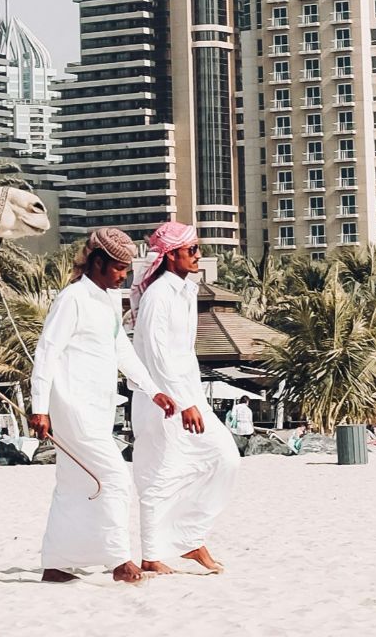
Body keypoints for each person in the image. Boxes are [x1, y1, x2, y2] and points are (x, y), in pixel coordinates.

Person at [28, 227, 177, 585]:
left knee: (72, 483)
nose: (124, 275)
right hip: (72, 406)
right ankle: (120, 560)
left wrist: (153, 389)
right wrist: (39, 407)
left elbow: (121, 350)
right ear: (96, 262)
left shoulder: (108, 300)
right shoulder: (72, 298)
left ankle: (56, 563)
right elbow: (46, 351)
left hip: (98, 406)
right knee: (113, 477)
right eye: (118, 268)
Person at [130, 221, 240, 575]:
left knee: (225, 458)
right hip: (162, 400)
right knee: (159, 473)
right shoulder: (158, 295)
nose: (198, 255)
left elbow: (180, 354)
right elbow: (157, 356)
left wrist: (192, 399)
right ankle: (151, 555)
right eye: (192, 249)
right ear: (171, 255)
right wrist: (182, 402)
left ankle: (190, 538)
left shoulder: (184, 291)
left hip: (189, 394)